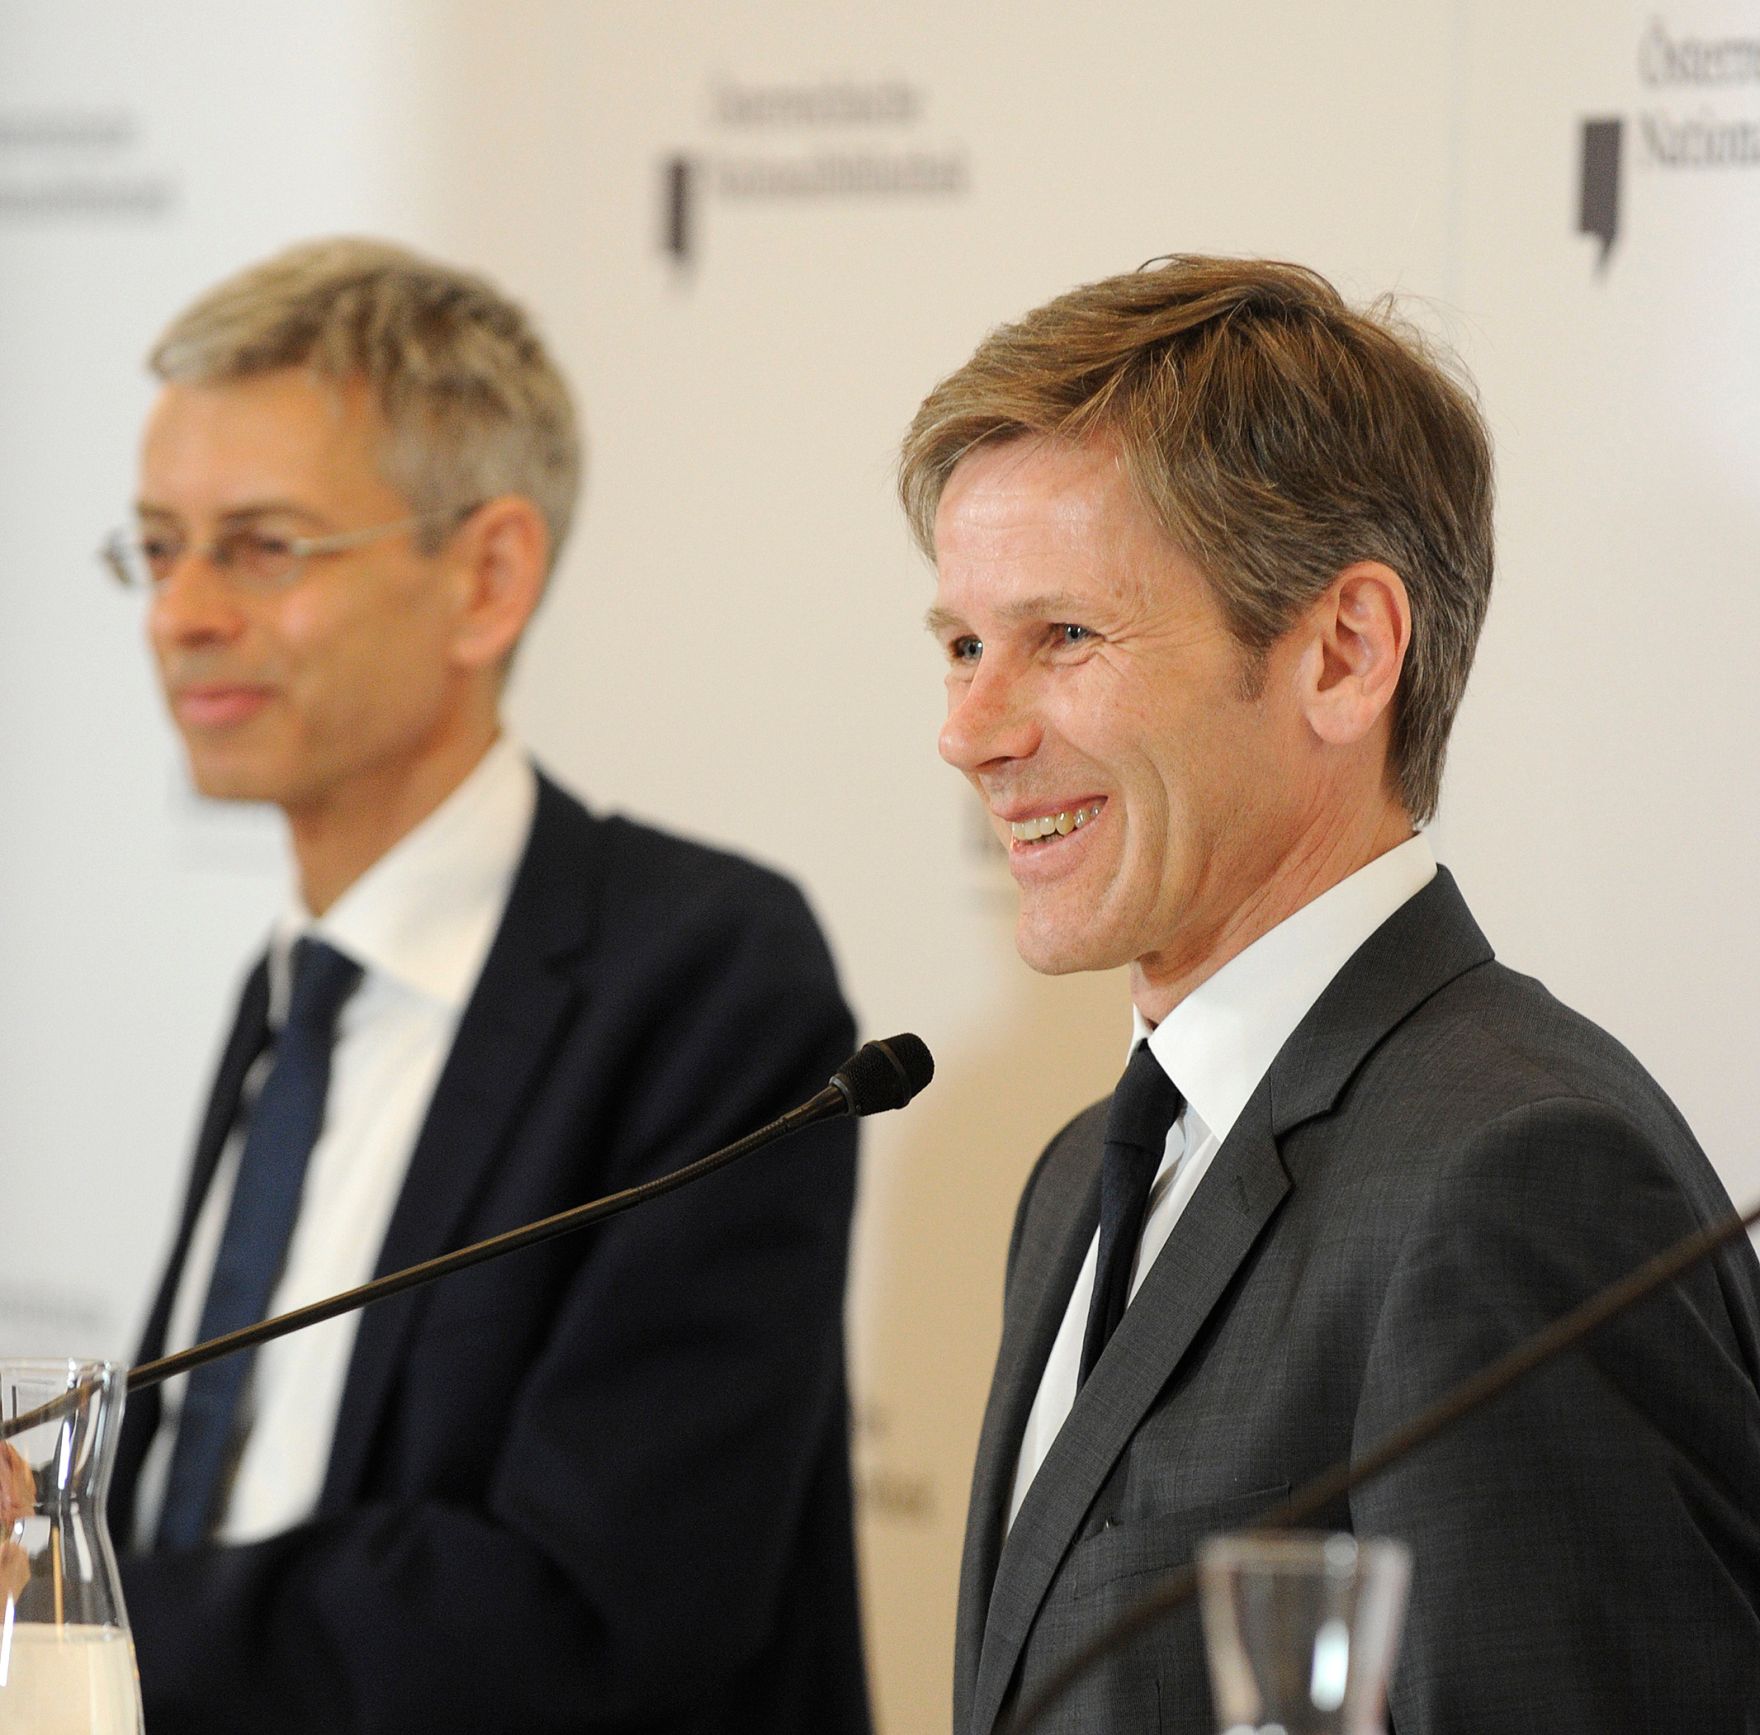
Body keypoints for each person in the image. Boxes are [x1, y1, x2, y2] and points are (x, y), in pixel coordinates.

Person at [900, 256, 1760, 1734]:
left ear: (1344, 653)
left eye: (1065, 638)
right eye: (965, 645)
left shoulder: (1519, 1177)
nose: (969, 731)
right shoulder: (1075, 1182)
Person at [103, 238, 870, 1735]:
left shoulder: (704, 976)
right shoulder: (295, 986)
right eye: (156, 543)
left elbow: (594, 1603)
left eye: (262, 546)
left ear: (487, 577)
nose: (178, 612)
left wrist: (73, 1626)